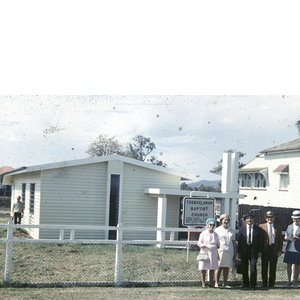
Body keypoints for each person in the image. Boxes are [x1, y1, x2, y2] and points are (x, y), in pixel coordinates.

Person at [237, 212, 263, 290]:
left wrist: (260, 251)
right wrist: (239, 252)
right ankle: (246, 283)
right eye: (247, 218)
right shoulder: (241, 230)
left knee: (253, 267)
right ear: (245, 220)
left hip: (254, 251)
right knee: (244, 267)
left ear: (253, 219)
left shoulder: (258, 229)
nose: (249, 220)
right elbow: (239, 241)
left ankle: (253, 284)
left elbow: (261, 241)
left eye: (251, 218)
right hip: (244, 251)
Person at [259, 211, 283, 288]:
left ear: (274, 218)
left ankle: (271, 283)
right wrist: (259, 251)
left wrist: (279, 250)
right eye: (268, 217)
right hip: (265, 249)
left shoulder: (278, 227)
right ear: (266, 219)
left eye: (271, 217)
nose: (270, 219)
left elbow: (280, 240)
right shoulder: (261, 226)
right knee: (264, 266)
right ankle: (264, 283)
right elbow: (259, 240)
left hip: (274, 248)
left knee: (273, 267)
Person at [215, 214, 237, 288]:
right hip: (221, 250)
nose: (226, 221)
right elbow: (215, 241)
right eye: (225, 220)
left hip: (230, 251)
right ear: (221, 221)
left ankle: (225, 283)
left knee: (226, 268)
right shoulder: (217, 230)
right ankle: (216, 283)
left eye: (228, 220)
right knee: (219, 267)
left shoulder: (231, 230)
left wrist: (235, 253)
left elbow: (233, 242)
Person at [197, 218, 220, 288]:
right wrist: (206, 246)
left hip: (213, 252)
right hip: (205, 252)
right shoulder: (203, 233)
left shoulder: (216, 234)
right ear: (207, 225)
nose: (212, 226)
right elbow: (199, 243)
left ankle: (211, 283)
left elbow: (219, 244)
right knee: (203, 268)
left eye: (213, 225)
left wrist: (215, 246)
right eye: (210, 225)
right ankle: (203, 283)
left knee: (212, 268)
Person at [283, 210, 300, 288]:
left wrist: (296, 238)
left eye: (297, 218)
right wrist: (287, 238)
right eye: (294, 219)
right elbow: (285, 235)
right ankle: (289, 281)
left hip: (298, 249)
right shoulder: (289, 226)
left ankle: (295, 282)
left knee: (297, 266)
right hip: (289, 248)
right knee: (288, 265)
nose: (295, 220)